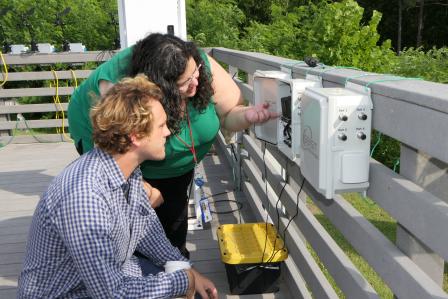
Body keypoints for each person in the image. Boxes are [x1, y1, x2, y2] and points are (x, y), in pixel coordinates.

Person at [68, 33, 277, 258]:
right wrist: (140, 188)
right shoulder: (119, 89)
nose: (195, 83)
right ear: (158, 88)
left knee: (173, 214)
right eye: (185, 83)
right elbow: (116, 157)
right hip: (119, 152)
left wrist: (248, 116)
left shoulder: (195, 65)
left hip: (177, 164)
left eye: (195, 72)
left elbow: (228, 115)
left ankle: (176, 261)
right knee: (132, 222)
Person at [18, 76, 217, 299]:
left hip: (106, 276)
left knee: (194, 287)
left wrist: (185, 268)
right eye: (161, 125)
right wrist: (182, 281)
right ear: (135, 136)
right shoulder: (85, 198)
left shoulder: (126, 168)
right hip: (69, 293)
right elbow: (113, 294)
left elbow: (146, 229)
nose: (167, 132)